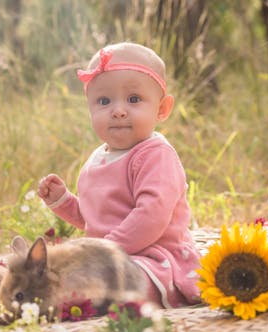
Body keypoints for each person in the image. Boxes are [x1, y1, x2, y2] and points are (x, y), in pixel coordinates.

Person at [38, 42, 200, 308]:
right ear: (90, 109)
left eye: (134, 99)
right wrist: (63, 202)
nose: (118, 110)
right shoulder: (96, 161)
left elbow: (151, 216)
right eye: (104, 101)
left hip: (153, 257)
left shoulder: (155, 155)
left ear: (162, 108)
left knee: (124, 283)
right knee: (58, 278)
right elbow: (96, 219)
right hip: (109, 257)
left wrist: (102, 251)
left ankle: (83, 302)